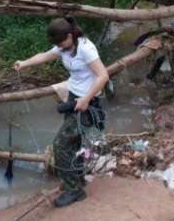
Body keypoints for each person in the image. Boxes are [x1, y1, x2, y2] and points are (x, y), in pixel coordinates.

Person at [13, 17, 109, 208]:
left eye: (60, 42)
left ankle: (74, 191)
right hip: (73, 97)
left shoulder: (85, 48)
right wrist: (24, 63)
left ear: (70, 35)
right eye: (56, 44)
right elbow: (45, 55)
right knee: (74, 142)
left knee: (60, 145)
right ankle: (77, 179)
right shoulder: (65, 46)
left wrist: (86, 98)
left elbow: (103, 76)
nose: (59, 47)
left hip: (88, 103)